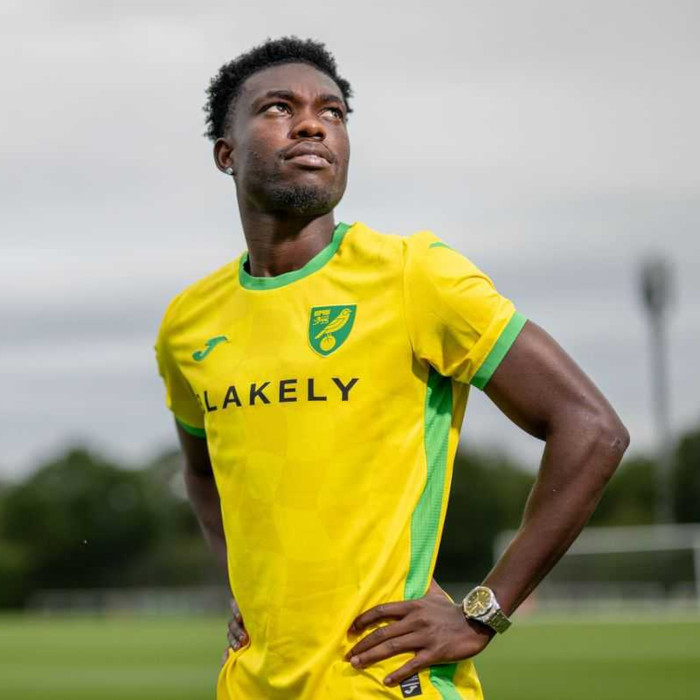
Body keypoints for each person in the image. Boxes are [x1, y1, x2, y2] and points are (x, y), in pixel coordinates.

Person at [154, 36, 629, 700]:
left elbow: (591, 429)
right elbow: (202, 471)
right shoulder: (189, 323)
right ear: (225, 153)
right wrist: (243, 585)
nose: (313, 124)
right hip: (249, 684)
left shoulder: (413, 275)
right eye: (279, 108)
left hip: (388, 681)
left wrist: (484, 612)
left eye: (333, 112)